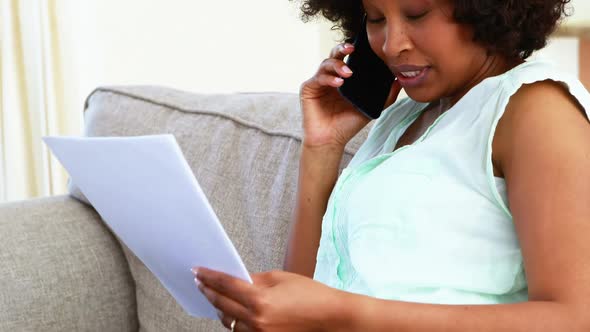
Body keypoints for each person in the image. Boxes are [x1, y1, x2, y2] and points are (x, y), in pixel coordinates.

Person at [191, 0, 590, 330]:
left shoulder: (534, 109)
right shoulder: (400, 120)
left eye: (416, 14)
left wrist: (344, 314)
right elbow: (303, 299)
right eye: (376, 18)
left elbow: (575, 318)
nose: (391, 44)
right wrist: (322, 146)